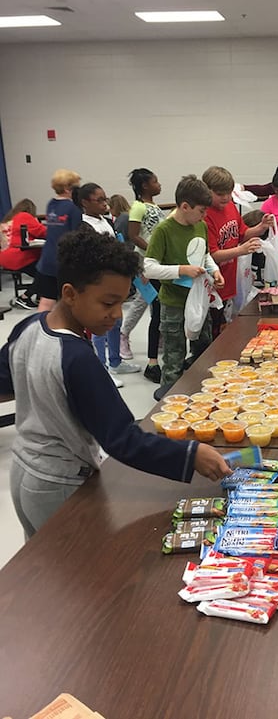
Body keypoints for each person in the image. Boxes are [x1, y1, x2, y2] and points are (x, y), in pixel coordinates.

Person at [0, 227, 231, 540]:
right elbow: (122, 439)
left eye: (122, 302)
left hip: (24, 472)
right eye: (108, 303)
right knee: (72, 569)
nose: (117, 315)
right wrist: (191, 455)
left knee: (45, 565)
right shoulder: (77, 358)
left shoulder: (29, 327)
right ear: (70, 293)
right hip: (60, 482)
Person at [144, 174, 225, 399]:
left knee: (203, 351)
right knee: (174, 358)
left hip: (198, 302)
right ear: (185, 206)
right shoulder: (164, 230)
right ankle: (170, 404)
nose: (204, 216)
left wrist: (214, 270)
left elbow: (205, 254)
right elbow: (148, 268)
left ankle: (202, 398)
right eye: (201, 211)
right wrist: (181, 270)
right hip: (174, 304)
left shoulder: (199, 226)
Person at [74, 183, 141, 387]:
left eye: (106, 199)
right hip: (97, 283)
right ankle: (101, 368)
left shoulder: (105, 220)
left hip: (113, 280)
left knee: (116, 322)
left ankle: (115, 361)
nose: (105, 204)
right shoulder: (83, 225)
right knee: (99, 326)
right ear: (85, 202)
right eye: (99, 200)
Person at [202, 166, 273, 337]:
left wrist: (260, 227)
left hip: (230, 278)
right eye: (220, 194)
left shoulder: (230, 207)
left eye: (228, 193)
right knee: (211, 330)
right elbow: (212, 254)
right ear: (207, 191)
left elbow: (242, 233)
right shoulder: (205, 215)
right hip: (212, 283)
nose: (225, 197)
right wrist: (240, 250)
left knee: (225, 327)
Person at [119, 168, 165, 384]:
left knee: (152, 304)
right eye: (155, 181)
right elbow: (134, 236)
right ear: (145, 185)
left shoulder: (154, 206)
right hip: (147, 263)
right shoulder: (137, 207)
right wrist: (154, 252)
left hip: (158, 263)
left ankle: (158, 343)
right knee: (152, 305)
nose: (159, 184)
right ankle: (147, 356)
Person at [36, 169, 82, 312]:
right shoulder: (74, 208)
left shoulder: (51, 204)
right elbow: (76, 236)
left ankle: (40, 330)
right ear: (69, 189)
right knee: (68, 301)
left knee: (46, 301)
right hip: (63, 260)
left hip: (46, 259)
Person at [0, 199, 47, 308]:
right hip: (18, 256)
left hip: (4, 257)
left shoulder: (9, 219)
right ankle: (25, 297)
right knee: (46, 273)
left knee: (41, 272)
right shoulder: (24, 216)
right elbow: (42, 232)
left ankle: (40, 297)